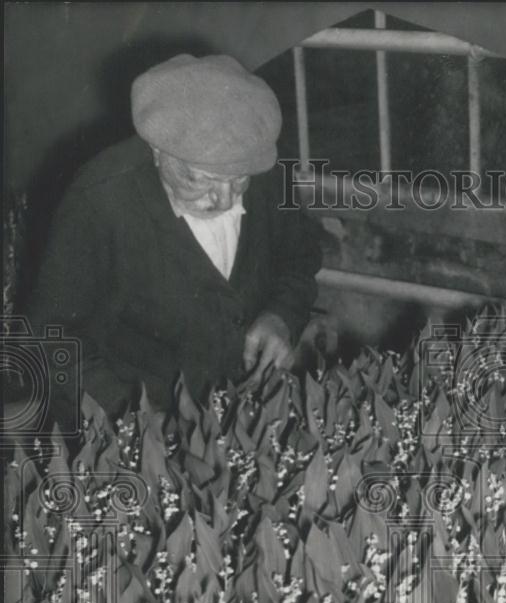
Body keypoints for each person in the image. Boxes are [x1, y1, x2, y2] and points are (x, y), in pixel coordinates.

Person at [22, 54, 322, 425]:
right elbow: (52, 340)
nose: (225, 199)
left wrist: (281, 316)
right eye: (201, 179)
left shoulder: (262, 170)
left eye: (239, 180)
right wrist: (133, 418)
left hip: (242, 412)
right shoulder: (99, 202)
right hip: (131, 423)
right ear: (158, 152)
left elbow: (300, 256)